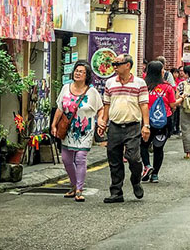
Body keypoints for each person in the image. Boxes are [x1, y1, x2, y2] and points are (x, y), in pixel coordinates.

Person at [98, 54, 150, 203]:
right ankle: (116, 191)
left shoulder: (139, 83)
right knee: (114, 159)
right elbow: (107, 105)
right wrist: (103, 122)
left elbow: (144, 105)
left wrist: (146, 126)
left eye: (117, 63)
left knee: (133, 158)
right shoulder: (110, 83)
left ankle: (136, 181)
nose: (114, 66)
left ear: (128, 65)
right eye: (113, 64)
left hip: (132, 125)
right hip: (114, 126)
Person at [51, 61, 103, 202]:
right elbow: (60, 108)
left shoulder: (92, 92)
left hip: (84, 130)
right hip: (67, 129)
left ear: (87, 76)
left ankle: (79, 189)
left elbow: (100, 108)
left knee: (80, 158)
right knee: (67, 159)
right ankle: (73, 185)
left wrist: (101, 121)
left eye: (81, 71)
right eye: (76, 70)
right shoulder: (65, 88)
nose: (77, 73)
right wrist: (54, 125)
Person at [141, 61, 180, 184]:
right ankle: (155, 175)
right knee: (159, 148)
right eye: (163, 69)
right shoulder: (167, 87)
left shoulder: (144, 86)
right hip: (164, 122)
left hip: (146, 121)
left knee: (143, 146)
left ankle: (147, 166)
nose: (164, 71)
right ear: (159, 71)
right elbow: (173, 104)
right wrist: (181, 99)